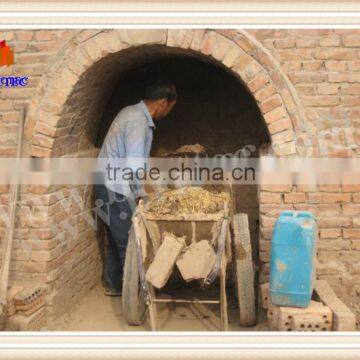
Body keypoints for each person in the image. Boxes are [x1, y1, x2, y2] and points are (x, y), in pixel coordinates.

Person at [95, 80, 177, 296]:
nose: (168, 112)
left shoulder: (129, 111)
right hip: (115, 187)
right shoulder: (138, 121)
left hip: (105, 182)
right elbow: (133, 164)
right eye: (170, 108)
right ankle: (138, 295)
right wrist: (140, 194)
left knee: (116, 237)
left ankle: (115, 285)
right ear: (162, 103)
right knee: (132, 240)